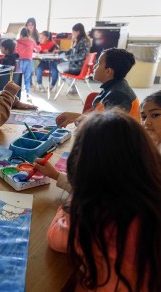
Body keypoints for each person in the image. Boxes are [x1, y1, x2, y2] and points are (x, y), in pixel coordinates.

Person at [33, 111, 161, 292]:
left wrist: (74, 198)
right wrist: (56, 176)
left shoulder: (89, 218)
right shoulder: (151, 200)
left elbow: (55, 237)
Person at [56, 48, 139, 127]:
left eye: (99, 63)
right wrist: (77, 118)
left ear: (108, 71)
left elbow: (111, 128)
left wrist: (78, 117)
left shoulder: (119, 95)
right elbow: (98, 118)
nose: (95, 66)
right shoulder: (111, 87)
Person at [15, 27, 41, 95]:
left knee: (18, 77)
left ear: (21, 33)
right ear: (29, 34)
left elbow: (16, 50)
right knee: (27, 78)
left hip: (20, 61)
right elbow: (38, 49)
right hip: (28, 61)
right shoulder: (31, 42)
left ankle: (17, 93)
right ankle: (28, 93)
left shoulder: (18, 41)